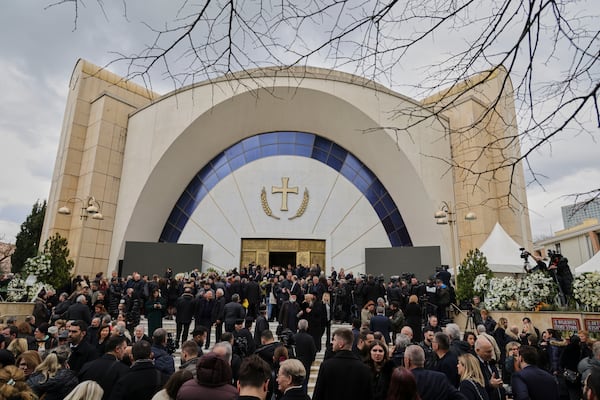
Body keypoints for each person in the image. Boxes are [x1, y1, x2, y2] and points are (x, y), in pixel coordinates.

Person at [313, 327, 373, 400]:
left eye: (334, 340)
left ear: (340, 344)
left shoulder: (326, 366)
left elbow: (318, 394)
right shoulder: (364, 368)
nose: (332, 343)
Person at [78, 335, 130, 400]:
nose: (125, 352)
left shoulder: (87, 365)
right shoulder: (122, 369)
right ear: (117, 349)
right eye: (124, 348)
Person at [293, 319, 317, 392]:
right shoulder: (310, 338)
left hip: (295, 362)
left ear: (298, 326)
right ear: (307, 327)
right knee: (305, 382)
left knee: (295, 382)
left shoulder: (294, 337)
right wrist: (311, 360)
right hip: (306, 362)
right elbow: (313, 351)